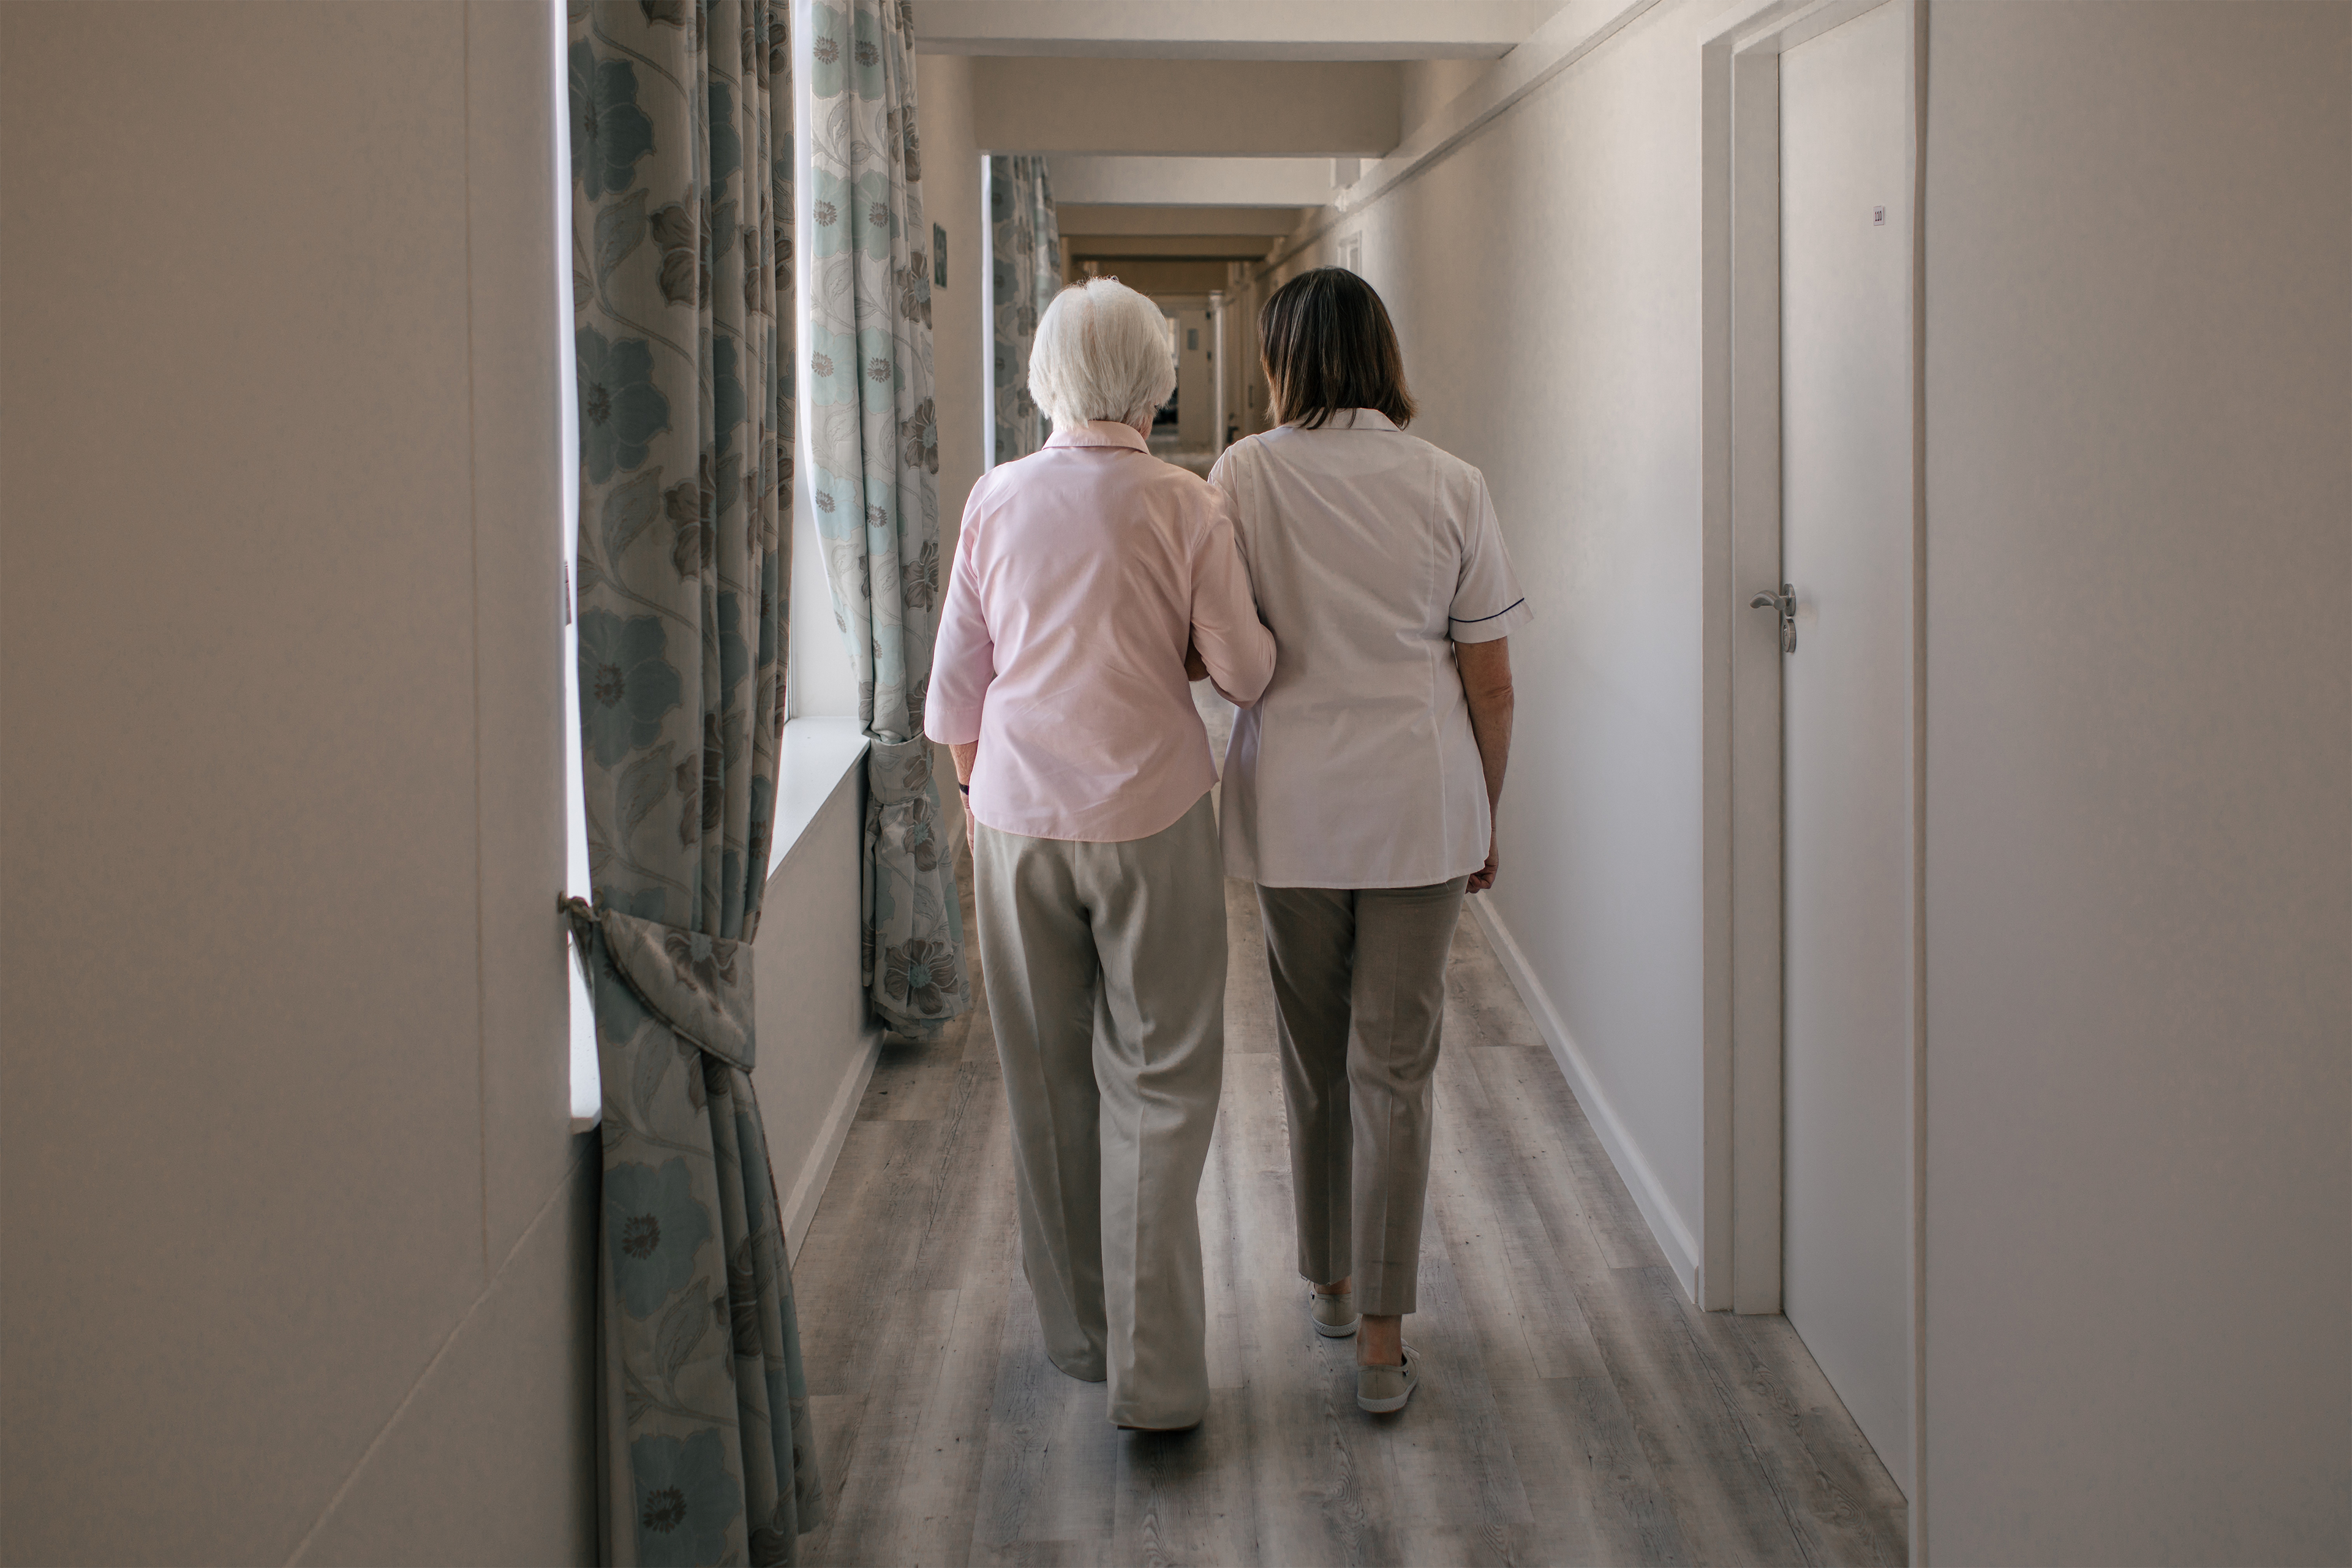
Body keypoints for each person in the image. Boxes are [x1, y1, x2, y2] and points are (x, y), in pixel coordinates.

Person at [925, 277, 1276, 1433]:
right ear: (1156, 375)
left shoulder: (995, 498)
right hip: (1153, 812)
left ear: (1046, 373)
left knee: (1043, 1074)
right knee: (1164, 1082)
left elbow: (957, 694)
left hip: (1018, 816)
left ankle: (1080, 1339)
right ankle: (1160, 1377)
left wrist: (980, 795)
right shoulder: (1185, 503)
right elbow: (1243, 673)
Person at [1209, 266, 1526, 1416]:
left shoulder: (1243, 474)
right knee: (1396, 1067)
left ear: (1284, 359)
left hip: (1295, 810)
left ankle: (1332, 1282)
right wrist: (1487, 808)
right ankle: (1385, 1342)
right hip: (1420, 809)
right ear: (1383, 352)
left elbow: (1217, 643)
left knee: (1312, 1056)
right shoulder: (1452, 483)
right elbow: (1489, 679)